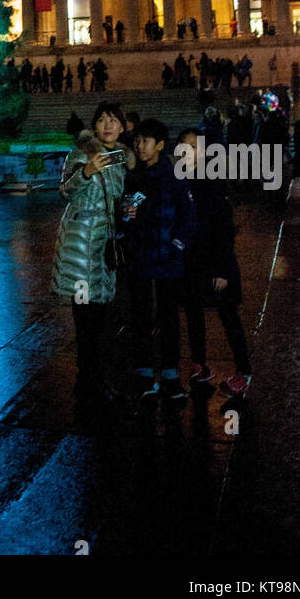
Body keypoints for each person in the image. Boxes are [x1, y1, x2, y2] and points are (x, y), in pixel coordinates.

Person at [51, 105, 134, 422]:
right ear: (95, 127)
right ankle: (89, 383)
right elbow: (64, 190)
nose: (108, 125)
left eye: (114, 119)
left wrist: (127, 210)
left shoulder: (120, 159)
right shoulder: (81, 153)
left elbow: (116, 198)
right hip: (80, 249)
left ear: (122, 127)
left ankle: (91, 382)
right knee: (87, 320)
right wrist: (86, 172)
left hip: (104, 247)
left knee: (101, 320)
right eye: (102, 120)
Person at [123, 118, 196, 403]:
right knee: (140, 316)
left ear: (161, 145)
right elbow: (128, 213)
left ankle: (169, 374)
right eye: (137, 141)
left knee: (168, 317)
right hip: (140, 256)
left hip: (167, 258)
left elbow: (188, 217)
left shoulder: (175, 175)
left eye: (146, 141)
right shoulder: (135, 176)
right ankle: (143, 372)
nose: (140, 146)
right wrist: (126, 217)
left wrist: (177, 245)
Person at [176, 128, 251, 397]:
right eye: (183, 146)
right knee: (194, 313)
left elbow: (224, 227)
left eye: (194, 146)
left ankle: (243, 372)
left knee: (228, 315)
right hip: (191, 261)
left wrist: (222, 269)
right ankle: (200, 364)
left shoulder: (213, 179)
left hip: (216, 262)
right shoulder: (179, 180)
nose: (188, 151)